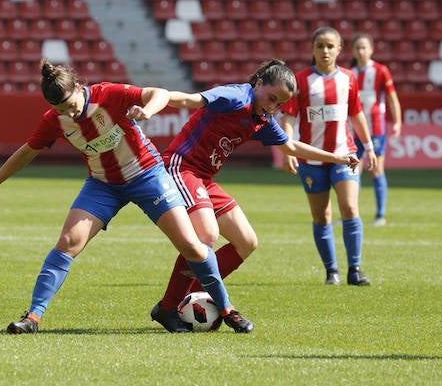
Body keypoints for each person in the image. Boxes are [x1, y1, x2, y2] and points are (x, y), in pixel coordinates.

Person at [0, 60, 254, 334]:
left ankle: (227, 309)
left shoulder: (108, 94)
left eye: (70, 106)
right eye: (60, 110)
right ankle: (33, 316)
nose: (68, 115)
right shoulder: (55, 119)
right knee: (69, 241)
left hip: (147, 176)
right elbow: (27, 151)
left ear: (79, 89)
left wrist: (149, 111)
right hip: (103, 185)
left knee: (193, 246)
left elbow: (159, 94)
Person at [150, 59, 361, 332]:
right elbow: (192, 100)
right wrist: (156, 99)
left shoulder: (262, 119)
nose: (272, 107)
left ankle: (183, 300)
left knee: (246, 241)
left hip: (204, 178)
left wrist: (337, 158)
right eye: (271, 98)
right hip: (182, 166)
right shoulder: (237, 97)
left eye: (279, 105)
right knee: (207, 235)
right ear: (258, 83)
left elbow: (291, 146)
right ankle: (179, 308)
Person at [280, 27, 378, 287]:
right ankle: (331, 271)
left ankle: (355, 269)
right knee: (322, 216)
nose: (325, 50)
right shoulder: (300, 80)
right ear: (313, 49)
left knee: (349, 207)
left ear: (339, 49)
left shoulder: (348, 78)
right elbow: (288, 118)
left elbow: (356, 114)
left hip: (345, 155)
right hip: (310, 160)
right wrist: (287, 148)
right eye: (320, 46)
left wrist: (368, 146)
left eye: (330, 46)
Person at [350, 33, 402, 226]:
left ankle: (380, 214)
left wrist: (397, 121)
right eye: (357, 48)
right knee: (353, 172)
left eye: (364, 47)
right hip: (354, 130)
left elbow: (392, 98)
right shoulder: (349, 74)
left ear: (371, 49)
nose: (361, 51)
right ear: (353, 51)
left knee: (377, 170)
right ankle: (351, 214)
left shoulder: (380, 71)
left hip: (376, 128)